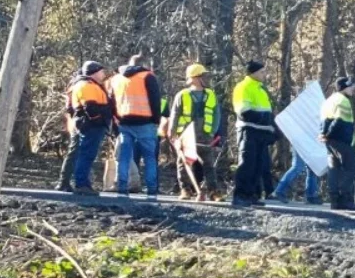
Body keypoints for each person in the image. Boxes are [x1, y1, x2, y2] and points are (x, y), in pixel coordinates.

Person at [167, 63, 224, 201]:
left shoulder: (210, 94)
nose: (205, 78)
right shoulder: (182, 95)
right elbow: (175, 114)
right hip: (186, 135)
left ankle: (213, 191)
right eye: (202, 76)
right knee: (184, 163)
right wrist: (172, 132)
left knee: (209, 164)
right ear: (194, 78)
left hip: (205, 135)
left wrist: (212, 133)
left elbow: (216, 115)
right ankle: (185, 189)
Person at [109, 59, 163, 198]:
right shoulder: (147, 77)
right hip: (145, 122)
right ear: (143, 65)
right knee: (150, 157)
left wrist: (117, 119)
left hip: (124, 122)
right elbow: (155, 100)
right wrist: (156, 120)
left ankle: (122, 189)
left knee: (124, 157)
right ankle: (151, 190)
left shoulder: (116, 79)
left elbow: (111, 101)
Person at [231, 61, 277, 207]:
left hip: (261, 132)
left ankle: (252, 195)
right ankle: (240, 195)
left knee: (258, 165)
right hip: (248, 131)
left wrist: (273, 128)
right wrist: (266, 119)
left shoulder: (261, 90)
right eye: (262, 71)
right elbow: (244, 112)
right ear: (253, 73)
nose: (265, 74)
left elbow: (267, 112)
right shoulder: (243, 87)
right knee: (247, 164)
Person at [67, 61, 113, 195]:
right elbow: (90, 107)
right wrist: (99, 120)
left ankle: (83, 183)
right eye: (101, 71)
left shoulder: (90, 85)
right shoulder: (87, 86)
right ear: (94, 72)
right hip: (91, 125)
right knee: (86, 154)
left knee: (87, 154)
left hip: (91, 124)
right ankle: (81, 184)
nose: (103, 73)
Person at [320, 77, 355, 211]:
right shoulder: (343, 101)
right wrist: (328, 134)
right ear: (343, 88)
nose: (353, 88)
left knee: (334, 169)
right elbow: (339, 121)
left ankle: (334, 200)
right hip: (341, 140)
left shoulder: (329, 100)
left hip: (330, 141)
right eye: (350, 86)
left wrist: (324, 134)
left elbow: (324, 120)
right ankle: (345, 199)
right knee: (350, 169)